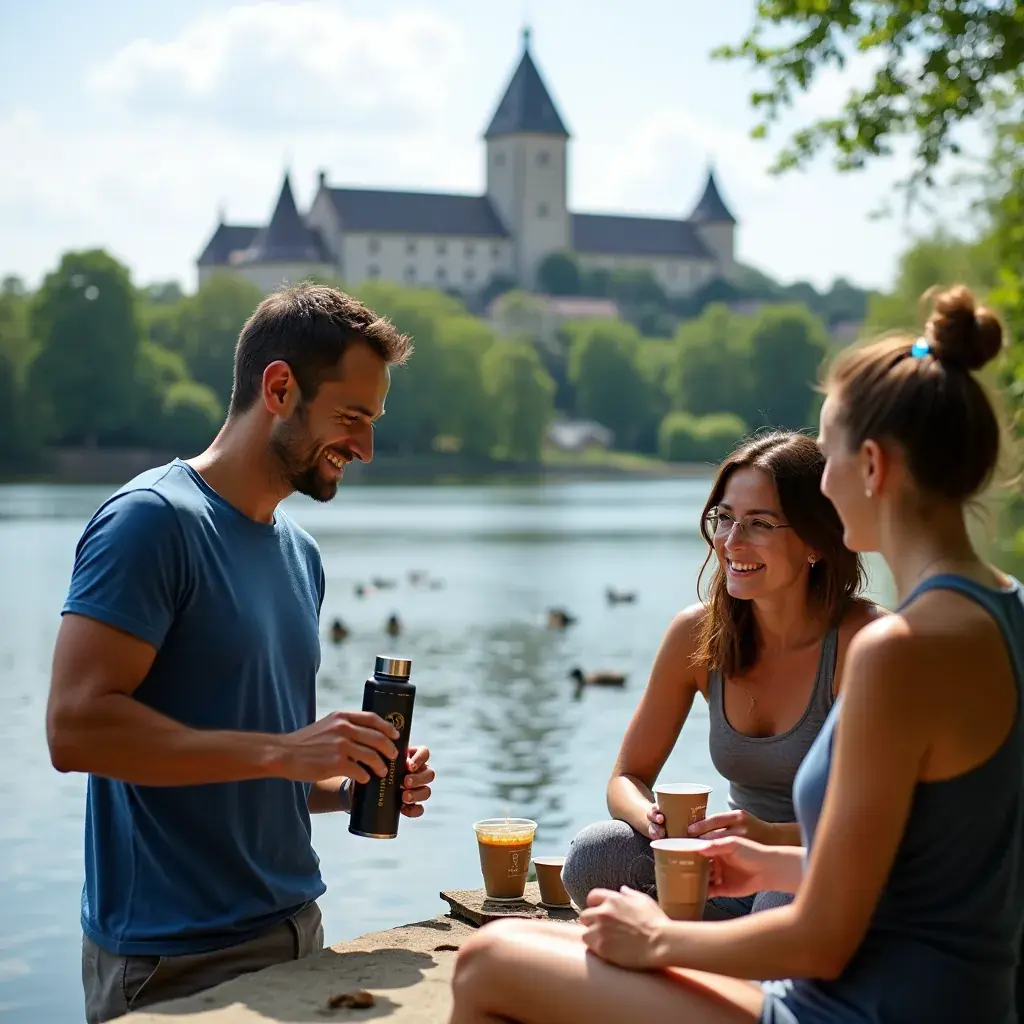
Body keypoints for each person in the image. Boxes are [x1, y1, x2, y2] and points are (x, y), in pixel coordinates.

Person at [448, 284, 1024, 1024]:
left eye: (830, 458)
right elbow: (926, 871)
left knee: (491, 960)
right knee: (534, 938)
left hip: (857, 1008)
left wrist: (658, 939)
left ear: (873, 466)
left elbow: (819, 940)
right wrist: (769, 862)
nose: (822, 482)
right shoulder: (1002, 609)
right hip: (943, 997)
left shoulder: (893, 648)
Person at [46, 284, 436, 1024]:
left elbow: (261, 768)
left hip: (297, 933)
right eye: (352, 418)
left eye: (373, 422)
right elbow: (75, 732)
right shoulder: (150, 523)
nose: (366, 447)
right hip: (173, 960)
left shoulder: (300, 553)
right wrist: (286, 752)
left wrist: (345, 781)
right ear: (280, 388)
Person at [561, 429, 880, 918]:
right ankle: (721, 951)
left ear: (815, 539)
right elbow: (627, 777)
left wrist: (769, 841)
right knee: (593, 856)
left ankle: (709, 955)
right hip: (730, 874)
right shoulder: (696, 633)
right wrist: (655, 822)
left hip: (825, 871)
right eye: (725, 518)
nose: (731, 542)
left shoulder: (868, 642)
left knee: (785, 895)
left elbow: (885, 826)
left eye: (759, 523)